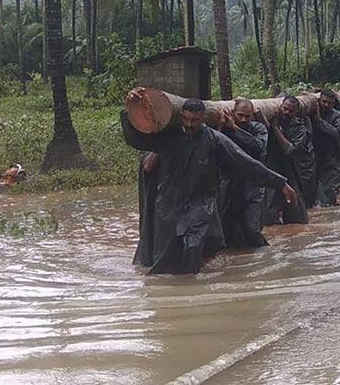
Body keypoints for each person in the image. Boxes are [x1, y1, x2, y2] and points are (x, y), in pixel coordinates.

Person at [121, 90, 297, 274]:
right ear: (181, 117)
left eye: (194, 121)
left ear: (203, 119)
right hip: (168, 207)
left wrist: (280, 183)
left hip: (200, 207)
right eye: (186, 119)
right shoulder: (168, 138)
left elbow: (247, 164)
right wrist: (130, 109)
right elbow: (135, 139)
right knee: (163, 261)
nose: (189, 125)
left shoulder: (215, 141)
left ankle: (193, 292)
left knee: (192, 255)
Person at [216, 99, 272, 248]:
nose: (243, 120)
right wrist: (221, 128)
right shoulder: (225, 130)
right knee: (227, 227)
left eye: (247, 117)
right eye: (240, 115)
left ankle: (263, 257)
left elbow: (258, 147)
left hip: (253, 186)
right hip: (230, 185)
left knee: (252, 228)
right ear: (233, 113)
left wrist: (234, 129)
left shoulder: (259, 128)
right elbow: (213, 147)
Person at [264, 94, 317, 217]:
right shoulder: (272, 119)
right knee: (270, 205)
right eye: (285, 108)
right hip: (272, 166)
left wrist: (276, 128)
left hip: (292, 168)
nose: (287, 112)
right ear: (280, 106)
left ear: (296, 112)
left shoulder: (300, 128)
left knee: (296, 208)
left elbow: (289, 149)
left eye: (291, 111)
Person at [312, 90, 340, 206]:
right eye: (324, 102)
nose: (326, 105)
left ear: (333, 103)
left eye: (329, 103)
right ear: (319, 101)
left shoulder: (338, 115)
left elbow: (338, 133)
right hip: (315, 157)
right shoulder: (311, 113)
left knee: (330, 191)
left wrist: (319, 121)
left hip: (334, 158)